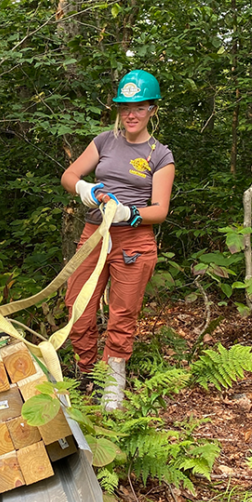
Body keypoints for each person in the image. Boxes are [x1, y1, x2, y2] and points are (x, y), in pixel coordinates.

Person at [60, 69, 176, 409]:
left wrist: (130, 212)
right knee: (78, 308)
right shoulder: (104, 141)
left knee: (122, 315)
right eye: (125, 107)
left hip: (134, 242)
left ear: (152, 109)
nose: (131, 114)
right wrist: (84, 189)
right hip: (94, 235)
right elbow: (70, 175)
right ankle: (86, 374)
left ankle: (113, 385)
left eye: (139, 107)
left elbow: (160, 209)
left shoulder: (160, 154)